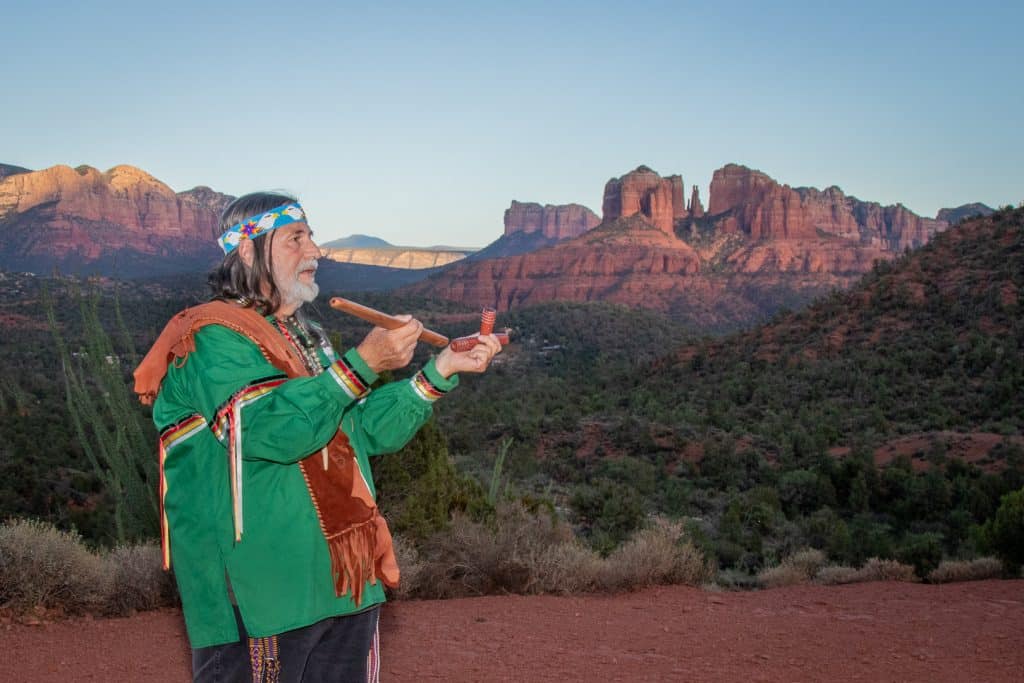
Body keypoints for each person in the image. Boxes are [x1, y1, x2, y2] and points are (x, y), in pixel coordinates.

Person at [133, 191, 501, 682]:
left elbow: (362, 430)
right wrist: (363, 363)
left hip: (344, 582)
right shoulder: (209, 337)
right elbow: (270, 431)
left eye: (312, 236)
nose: (316, 251)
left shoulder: (303, 337)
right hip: (263, 594)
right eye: (296, 239)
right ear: (248, 250)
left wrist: (438, 370)